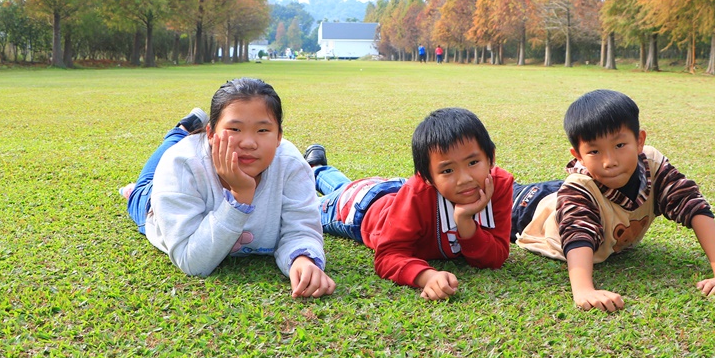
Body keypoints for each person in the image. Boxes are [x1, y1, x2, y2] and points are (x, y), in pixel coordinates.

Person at [515, 89, 715, 312]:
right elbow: (578, 232)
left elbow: (691, 205)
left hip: (568, 190)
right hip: (530, 208)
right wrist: (583, 290)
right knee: (494, 192)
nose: (609, 162)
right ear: (578, 156)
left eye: (619, 145)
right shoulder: (578, 191)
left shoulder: (653, 165)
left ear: (639, 141)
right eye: (594, 151)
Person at [119, 77, 335, 299]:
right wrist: (239, 198)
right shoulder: (181, 164)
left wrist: (302, 258)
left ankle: (189, 129)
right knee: (141, 189)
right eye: (234, 129)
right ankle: (182, 129)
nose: (249, 143)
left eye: (262, 130)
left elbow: (301, 230)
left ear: (279, 136)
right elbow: (193, 261)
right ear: (211, 134)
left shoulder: (292, 166)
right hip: (153, 205)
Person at [305, 107, 513, 300]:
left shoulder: (499, 185)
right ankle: (314, 168)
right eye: (448, 170)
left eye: (473, 162)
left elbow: (495, 258)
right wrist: (427, 277)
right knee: (307, 208)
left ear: (491, 158)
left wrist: (464, 220)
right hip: (361, 209)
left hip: (396, 191)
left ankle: (317, 167)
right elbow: (387, 256)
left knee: (347, 186)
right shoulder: (418, 194)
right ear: (429, 177)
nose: (464, 178)